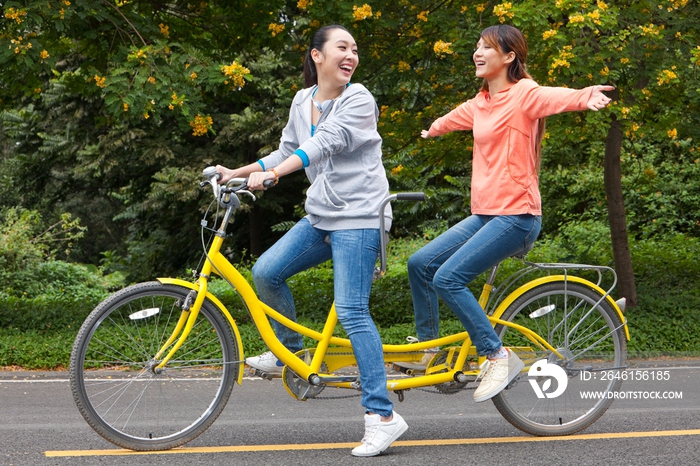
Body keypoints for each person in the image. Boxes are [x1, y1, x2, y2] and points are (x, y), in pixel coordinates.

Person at [215, 25, 407, 457]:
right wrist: (239, 173)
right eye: (342, 47)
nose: (351, 55)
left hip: (359, 218)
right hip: (322, 216)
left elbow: (325, 143)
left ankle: (382, 416)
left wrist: (275, 176)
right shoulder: (303, 101)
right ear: (317, 55)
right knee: (267, 271)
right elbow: (286, 149)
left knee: (353, 310)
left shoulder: (358, 99)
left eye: (355, 49)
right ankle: (291, 353)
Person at [397, 24, 614, 403]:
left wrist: (585, 96)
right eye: (477, 47)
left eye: (487, 48)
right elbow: (456, 117)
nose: (478, 53)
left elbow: (551, 97)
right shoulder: (481, 102)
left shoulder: (523, 95)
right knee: (420, 264)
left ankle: (497, 354)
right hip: (486, 214)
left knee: (448, 278)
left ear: (509, 57)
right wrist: (434, 129)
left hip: (518, 216)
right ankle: (429, 349)